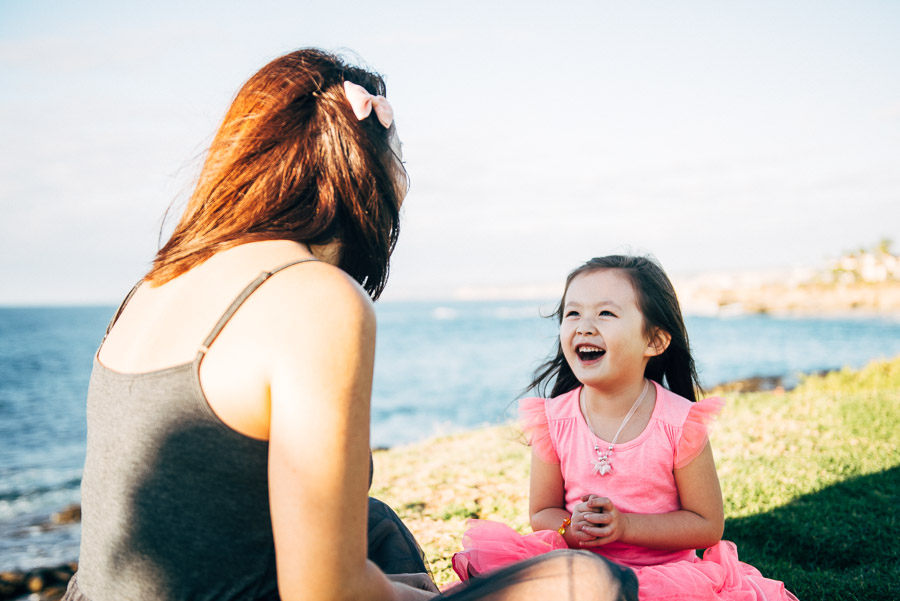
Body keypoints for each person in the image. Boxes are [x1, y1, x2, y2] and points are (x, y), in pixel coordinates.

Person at [63, 49, 637, 601]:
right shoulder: (315, 296)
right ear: (361, 166)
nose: (405, 181)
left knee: (373, 523)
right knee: (591, 582)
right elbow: (325, 592)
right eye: (399, 157)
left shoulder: (155, 283)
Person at [451, 256, 799, 601]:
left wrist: (626, 527)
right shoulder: (553, 420)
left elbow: (707, 525)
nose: (584, 326)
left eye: (605, 313)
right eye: (573, 313)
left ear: (654, 341)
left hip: (667, 579)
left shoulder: (679, 422)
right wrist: (571, 528)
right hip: (581, 569)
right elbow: (541, 512)